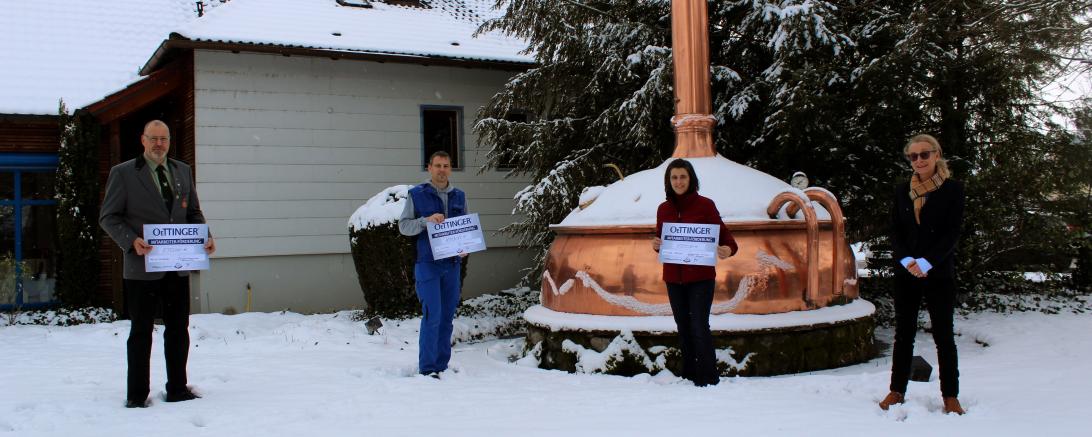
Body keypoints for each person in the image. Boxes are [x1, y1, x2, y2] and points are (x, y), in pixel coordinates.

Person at [100, 120, 215, 408]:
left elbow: (194, 214)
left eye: (164, 139)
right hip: (142, 268)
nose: (159, 144)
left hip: (177, 266)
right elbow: (109, 217)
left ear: (169, 141)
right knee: (141, 331)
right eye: (153, 138)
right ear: (142, 139)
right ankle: (137, 395)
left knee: (178, 328)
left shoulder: (182, 171)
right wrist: (131, 241)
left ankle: (177, 388)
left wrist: (206, 237)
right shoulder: (123, 173)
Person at [879, 134, 966, 415]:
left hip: (938, 273)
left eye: (924, 155)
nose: (919, 161)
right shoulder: (902, 190)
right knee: (903, 335)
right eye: (913, 156)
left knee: (943, 336)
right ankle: (896, 390)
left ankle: (950, 395)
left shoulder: (953, 190)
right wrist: (906, 259)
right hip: (906, 273)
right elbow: (896, 230)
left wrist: (927, 262)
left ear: (937, 155)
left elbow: (951, 233)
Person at [652, 159, 737, 386]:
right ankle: (689, 374)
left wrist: (726, 249)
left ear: (691, 179)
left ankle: (708, 377)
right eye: (674, 177)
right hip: (673, 278)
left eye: (683, 177)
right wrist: (656, 244)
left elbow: (728, 240)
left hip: (701, 279)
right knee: (683, 326)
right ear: (668, 181)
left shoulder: (706, 205)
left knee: (699, 325)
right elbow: (661, 239)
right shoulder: (663, 209)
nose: (679, 181)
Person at [398, 151, 468, 378]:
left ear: (450, 169)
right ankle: (428, 369)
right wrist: (425, 221)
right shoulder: (417, 194)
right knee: (432, 315)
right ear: (429, 168)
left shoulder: (459, 196)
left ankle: (442, 366)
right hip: (428, 263)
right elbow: (404, 226)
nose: (441, 170)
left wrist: (464, 246)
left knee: (447, 317)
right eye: (437, 165)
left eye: (446, 165)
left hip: (452, 264)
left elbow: (464, 228)